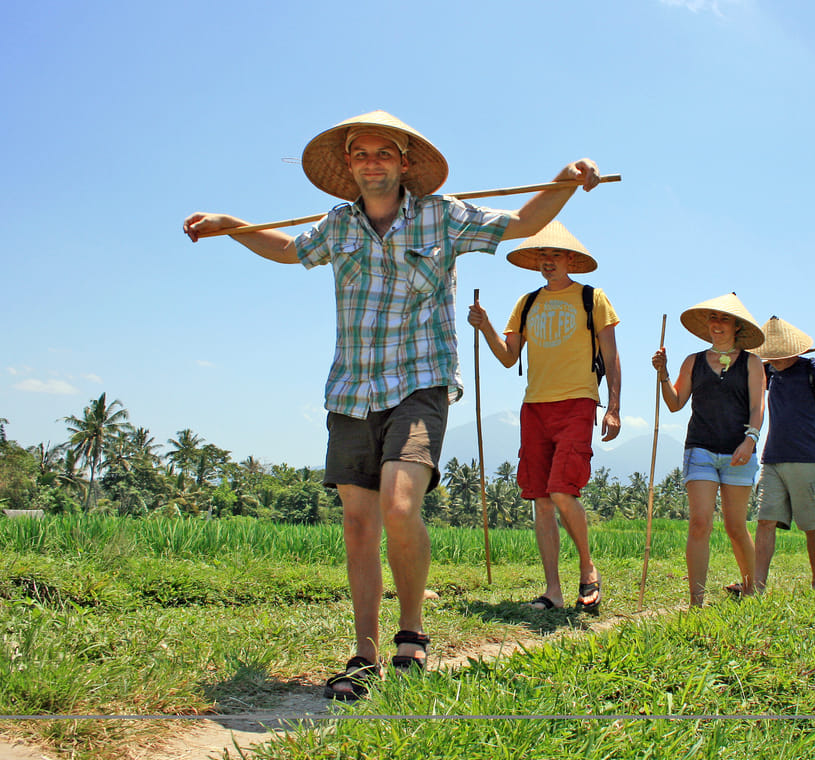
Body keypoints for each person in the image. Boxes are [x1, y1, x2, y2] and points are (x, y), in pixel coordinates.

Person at [183, 111, 602, 700]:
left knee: (402, 506)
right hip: (352, 388)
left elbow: (524, 221)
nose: (372, 161)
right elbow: (284, 249)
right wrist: (231, 225)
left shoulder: (443, 215)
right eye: (361, 153)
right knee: (358, 523)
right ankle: (364, 652)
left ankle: (412, 634)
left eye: (385, 152)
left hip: (420, 381)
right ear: (349, 165)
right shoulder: (337, 225)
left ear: (405, 163)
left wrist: (561, 181)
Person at [467, 222, 619, 612]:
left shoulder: (592, 298)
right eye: (542, 257)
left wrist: (614, 407)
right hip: (534, 405)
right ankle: (553, 590)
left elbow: (612, 356)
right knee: (542, 500)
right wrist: (485, 326)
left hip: (578, 402)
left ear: (571, 259)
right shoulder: (527, 303)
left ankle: (588, 569)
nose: (547, 263)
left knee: (562, 491)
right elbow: (507, 357)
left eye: (555, 256)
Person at [652, 293, 764, 607]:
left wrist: (750, 439)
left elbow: (758, 407)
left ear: (736, 326)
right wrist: (663, 374)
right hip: (699, 449)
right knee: (700, 522)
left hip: (739, 452)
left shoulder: (752, 363)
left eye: (724, 318)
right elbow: (674, 404)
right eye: (713, 318)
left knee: (735, 526)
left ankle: (750, 588)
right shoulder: (694, 361)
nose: (717, 324)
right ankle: (696, 602)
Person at [753, 317, 815, 591]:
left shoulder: (813, 368)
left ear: (794, 350)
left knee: (811, 525)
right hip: (772, 458)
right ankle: (757, 586)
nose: (774, 359)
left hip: (807, 458)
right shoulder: (768, 371)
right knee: (765, 521)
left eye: (778, 354)